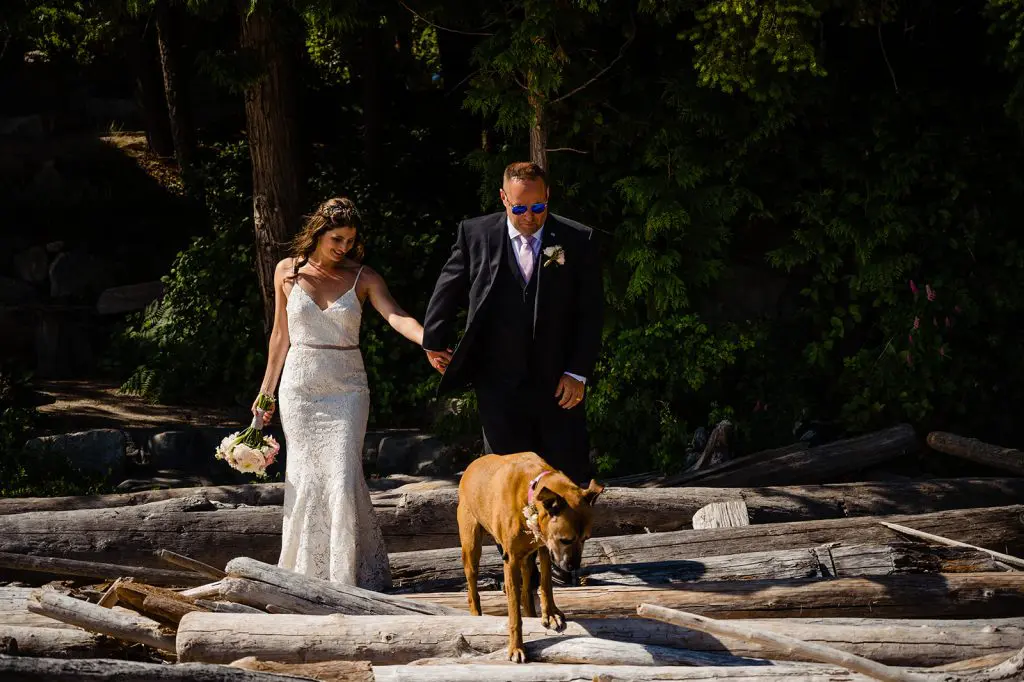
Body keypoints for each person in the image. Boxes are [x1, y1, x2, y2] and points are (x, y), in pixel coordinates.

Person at [253, 197, 445, 590]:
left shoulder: (364, 277)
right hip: (300, 388)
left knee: (341, 476)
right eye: (336, 239)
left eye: (350, 240)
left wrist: (429, 343)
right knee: (305, 478)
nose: (344, 247)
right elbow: (279, 336)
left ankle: (346, 577)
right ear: (318, 233)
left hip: (347, 391)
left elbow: (397, 316)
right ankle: (304, 574)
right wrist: (265, 393)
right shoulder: (286, 272)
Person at [422, 161, 604, 488]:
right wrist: (433, 339)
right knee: (507, 483)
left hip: (557, 382)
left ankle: (567, 541)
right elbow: (448, 287)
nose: (530, 216)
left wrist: (578, 372)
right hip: (497, 381)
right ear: (504, 198)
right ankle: (509, 542)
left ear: (548, 195)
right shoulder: (475, 234)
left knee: (567, 477)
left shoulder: (576, 239)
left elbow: (590, 312)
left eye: (538, 206)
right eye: (520, 207)